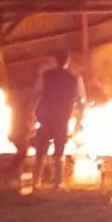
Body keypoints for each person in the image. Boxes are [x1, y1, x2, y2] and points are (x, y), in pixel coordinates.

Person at [32, 50, 85, 189]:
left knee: (41, 150)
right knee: (59, 151)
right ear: (68, 61)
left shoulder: (46, 75)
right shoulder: (74, 78)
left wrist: (32, 113)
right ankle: (57, 182)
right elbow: (81, 101)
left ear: (55, 60)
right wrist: (79, 121)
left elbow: (38, 95)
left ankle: (36, 181)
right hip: (62, 118)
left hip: (46, 117)